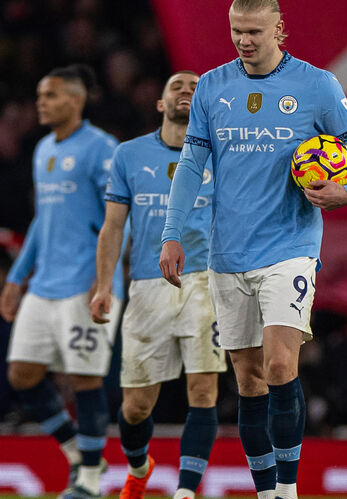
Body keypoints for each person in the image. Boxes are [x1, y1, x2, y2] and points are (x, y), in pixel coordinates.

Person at [159, 0, 347, 499]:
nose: (244, 41)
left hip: (290, 246)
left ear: (279, 29)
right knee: (249, 381)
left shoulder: (317, 86)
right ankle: (265, 492)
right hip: (226, 252)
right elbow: (192, 166)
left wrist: (346, 191)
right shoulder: (213, 87)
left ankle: (287, 489)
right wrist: (173, 234)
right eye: (236, 31)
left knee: (281, 364)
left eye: (254, 32)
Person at [90, 71, 224, 499]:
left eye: (194, 88)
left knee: (203, 390)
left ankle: (185, 492)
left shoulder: (223, 157)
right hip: (147, 286)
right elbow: (113, 228)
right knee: (135, 407)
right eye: (176, 88)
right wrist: (103, 286)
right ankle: (138, 464)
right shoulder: (129, 156)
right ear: (160, 104)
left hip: (205, 282)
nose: (186, 91)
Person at [1, 64, 123, 499]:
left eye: (50, 96)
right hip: (45, 282)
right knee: (22, 374)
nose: (41, 103)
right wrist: (17, 276)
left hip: (86, 283)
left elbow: (120, 216)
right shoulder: (42, 150)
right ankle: (78, 452)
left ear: (75, 100)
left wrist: (104, 277)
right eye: (40, 96)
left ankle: (89, 480)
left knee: (84, 378)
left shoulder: (102, 149)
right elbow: (43, 219)